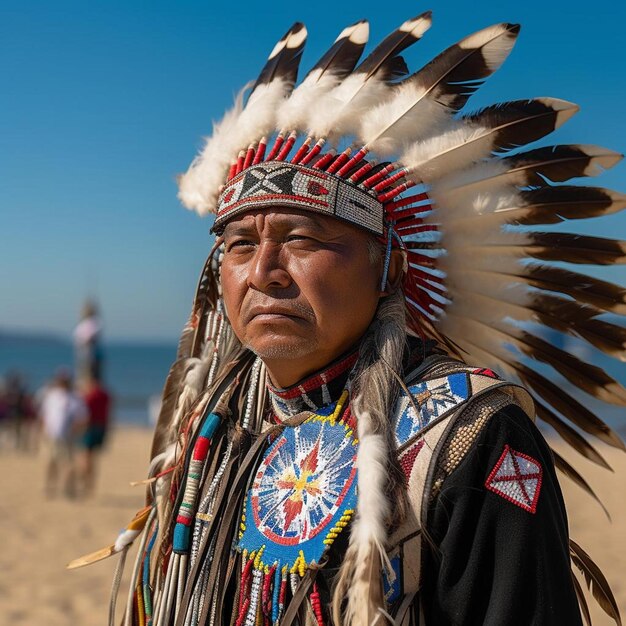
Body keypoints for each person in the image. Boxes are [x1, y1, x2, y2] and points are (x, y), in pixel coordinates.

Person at [71, 14, 625, 626]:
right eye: (238, 246)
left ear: (389, 269)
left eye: (301, 238)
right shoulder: (211, 423)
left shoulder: (471, 436)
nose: (265, 271)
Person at [37, 369, 87, 498]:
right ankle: (49, 488)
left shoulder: (75, 398)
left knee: (69, 465)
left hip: (67, 437)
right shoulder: (51, 396)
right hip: (51, 435)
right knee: (50, 462)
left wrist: (76, 431)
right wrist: (42, 431)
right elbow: (44, 415)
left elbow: (82, 417)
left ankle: (68, 489)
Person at [78, 375, 112, 496]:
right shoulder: (105, 395)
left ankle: (85, 481)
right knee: (93, 457)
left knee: (86, 456)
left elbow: (84, 413)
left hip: (90, 427)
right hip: (101, 427)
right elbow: (109, 412)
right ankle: (90, 483)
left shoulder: (91, 396)